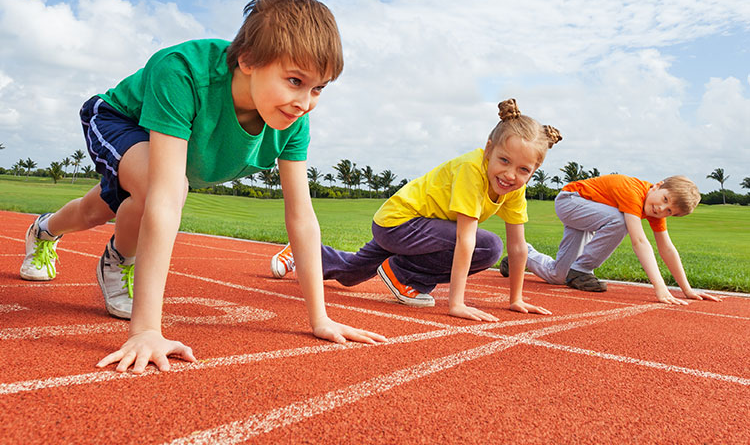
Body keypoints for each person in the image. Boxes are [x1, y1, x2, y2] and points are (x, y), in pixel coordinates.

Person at [20, 0, 386, 373]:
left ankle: (44, 230)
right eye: (295, 81)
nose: (306, 101)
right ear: (247, 60)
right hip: (119, 119)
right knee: (164, 191)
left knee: (95, 210)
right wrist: (146, 330)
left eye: (318, 89)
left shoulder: (293, 120)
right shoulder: (180, 72)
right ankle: (118, 261)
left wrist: (320, 319)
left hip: (167, 158)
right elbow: (163, 198)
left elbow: (301, 217)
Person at [271, 99, 562, 321]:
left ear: (534, 170)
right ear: (488, 150)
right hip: (400, 224)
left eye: (524, 169)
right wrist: (456, 304)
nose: (510, 174)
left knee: (351, 274)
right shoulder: (472, 170)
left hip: (421, 231)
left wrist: (516, 298)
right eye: (504, 160)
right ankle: (404, 275)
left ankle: (301, 252)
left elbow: (519, 246)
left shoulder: (514, 188)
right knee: (488, 247)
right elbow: (466, 239)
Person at [511, 174, 722, 304]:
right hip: (571, 201)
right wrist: (660, 287)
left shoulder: (654, 210)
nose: (661, 209)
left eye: (669, 212)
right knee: (620, 221)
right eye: (665, 200)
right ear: (657, 186)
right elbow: (639, 241)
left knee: (559, 275)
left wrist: (686, 289)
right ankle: (582, 269)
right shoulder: (633, 191)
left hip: (588, 212)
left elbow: (666, 248)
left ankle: (520, 257)